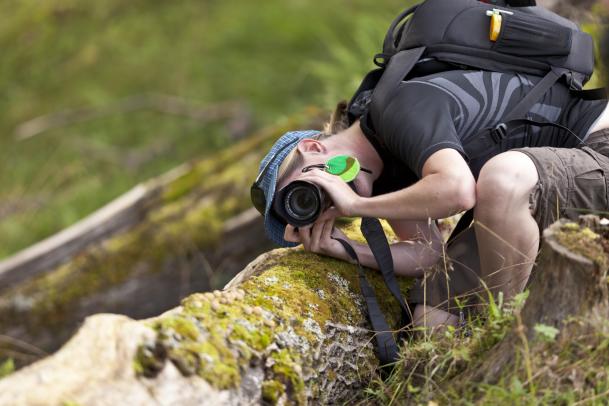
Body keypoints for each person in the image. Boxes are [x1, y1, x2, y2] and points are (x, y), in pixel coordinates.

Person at [251, 68, 609, 330]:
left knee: (502, 178)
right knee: (431, 325)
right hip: (548, 184)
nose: (320, 202)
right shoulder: (383, 175)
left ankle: (509, 341)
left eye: (303, 186)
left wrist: (356, 207)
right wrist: (345, 249)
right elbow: (428, 253)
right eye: (305, 208)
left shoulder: (394, 108)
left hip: (597, 147)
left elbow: (458, 190)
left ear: (313, 148)